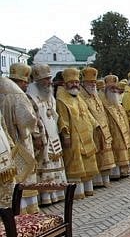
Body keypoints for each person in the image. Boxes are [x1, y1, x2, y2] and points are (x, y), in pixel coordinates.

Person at [0, 63, 40, 212]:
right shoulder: (17, 93)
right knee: (24, 176)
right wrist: (34, 130)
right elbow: (27, 120)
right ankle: (26, 209)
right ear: (23, 81)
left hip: (4, 143)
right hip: (19, 141)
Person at [56, 67, 100, 199]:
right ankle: (76, 192)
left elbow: (86, 113)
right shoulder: (61, 99)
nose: (75, 84)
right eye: (71, 82)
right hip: (74, 137)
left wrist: (95, 125)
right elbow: (62, 119)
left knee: (87, 162)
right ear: (65, 84)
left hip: (86, 134)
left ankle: (87, 189)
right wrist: (66, 135)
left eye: (76, 82)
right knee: (76, 163)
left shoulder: (78, 97)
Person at [26, 63, 67, 204]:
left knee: (55, 161)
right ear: (37, 80)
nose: (49, 82)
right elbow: (32, 119)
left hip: (53, 132)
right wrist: (37, 135)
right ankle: (45, 197)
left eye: (49, 78)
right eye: (45, 79)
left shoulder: (49, 94)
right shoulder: (30, 97)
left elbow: (53, 113)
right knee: (45, 164)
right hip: (42, 136)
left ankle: (57, 192)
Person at [79, 67, 116, 188]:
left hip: (103, 129)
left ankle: (104, 179)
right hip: (93, 130)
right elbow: (85, 113)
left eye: (94, 82)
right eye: (90, 82)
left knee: (105, 155)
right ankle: (96, 181)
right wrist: (96, 125)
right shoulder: (80, 96)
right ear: (83, 83)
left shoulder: (95, 95)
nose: (93, 84)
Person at [100, 75, 130, 178]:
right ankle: (114, 173)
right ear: (106, 88)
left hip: (121, 128)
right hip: (111, 129)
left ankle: (123, 170)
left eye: (115, 87)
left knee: (122, 146)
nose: (114, 90)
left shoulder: (116, 99)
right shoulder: (102, 100)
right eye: (111, 88)